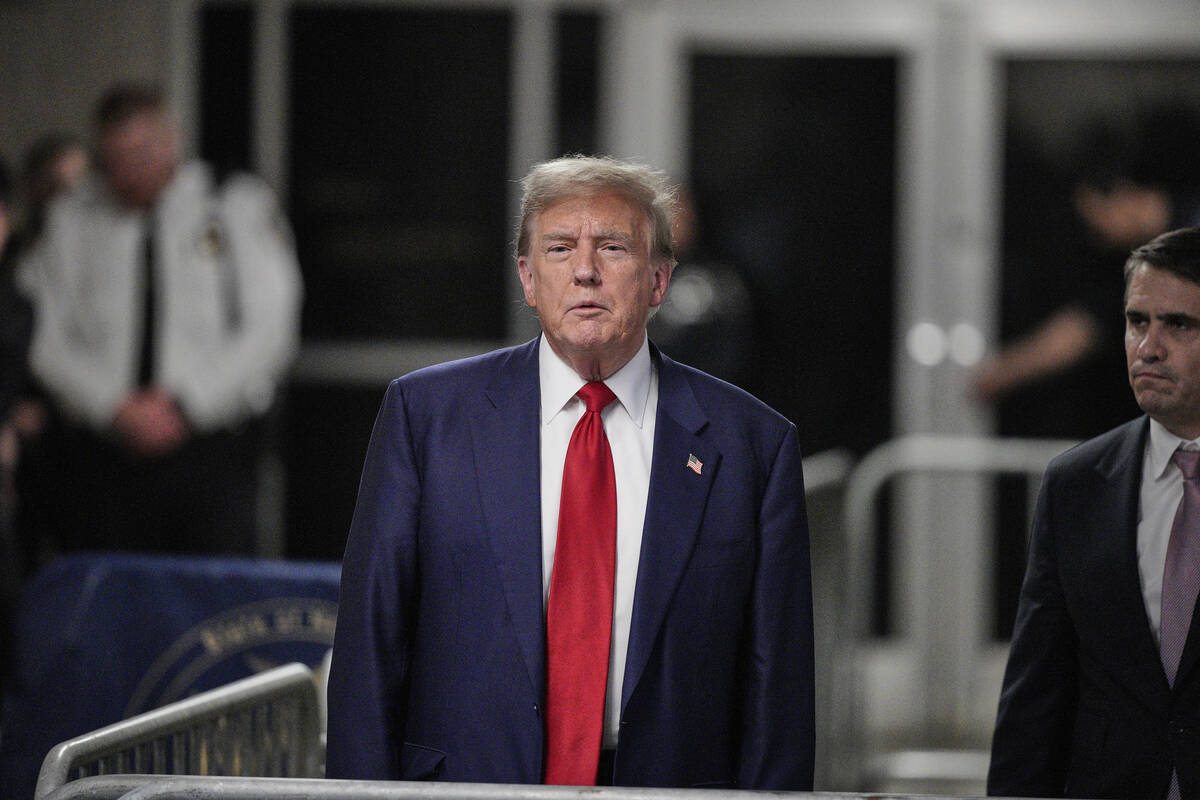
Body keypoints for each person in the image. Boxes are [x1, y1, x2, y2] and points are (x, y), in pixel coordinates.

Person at [326, 155, 814, 789]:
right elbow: (370, 649)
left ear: (660, 280)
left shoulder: (753, 445)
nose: (585, 270)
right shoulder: (427, 419)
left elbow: (778, 691)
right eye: (560, 248)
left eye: (612, 247)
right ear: (528, 279)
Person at [16, 83, 302, 554]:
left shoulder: (232, 203)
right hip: (105, 449)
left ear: (174, 139)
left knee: (210, 599)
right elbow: (42, 332)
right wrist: (110, 405)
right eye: (118, 156)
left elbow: (271, 324)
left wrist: (189, 405)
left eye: (144, 150)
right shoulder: (72, 219)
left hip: (211, 446)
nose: (132, 169)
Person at [989, 227, 1200, 799]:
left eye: (1178, 324)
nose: (1148, 347)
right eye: (1137, 322)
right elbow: (1036, 692)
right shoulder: (1076, 484)